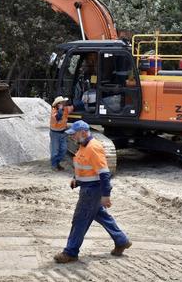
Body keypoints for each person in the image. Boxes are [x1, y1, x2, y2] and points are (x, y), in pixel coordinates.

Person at [54, 120, 132, 263]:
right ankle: (121, 240)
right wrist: (76, 179)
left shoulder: (93, 147)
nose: (72, 137)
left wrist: (106, 195)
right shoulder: (84, 146)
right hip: (88, 188)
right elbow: (85, 166)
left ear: (83, 132)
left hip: (92, 191)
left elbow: (104, 173)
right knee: (100, 215)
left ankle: (70, 252)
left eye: (74, 134)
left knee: (80, 220)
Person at [49, 96, 73, 171]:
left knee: (63, 150)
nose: (64, 103)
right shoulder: (54, 112)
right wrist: (60, 109)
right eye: (63, 102)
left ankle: (57, 163)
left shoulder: (65, 109)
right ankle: (54, 165)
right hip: (55, 134)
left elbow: (72, 107)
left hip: (63, 133)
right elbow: (58, 117)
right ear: (58, 104)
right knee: (55, 151)